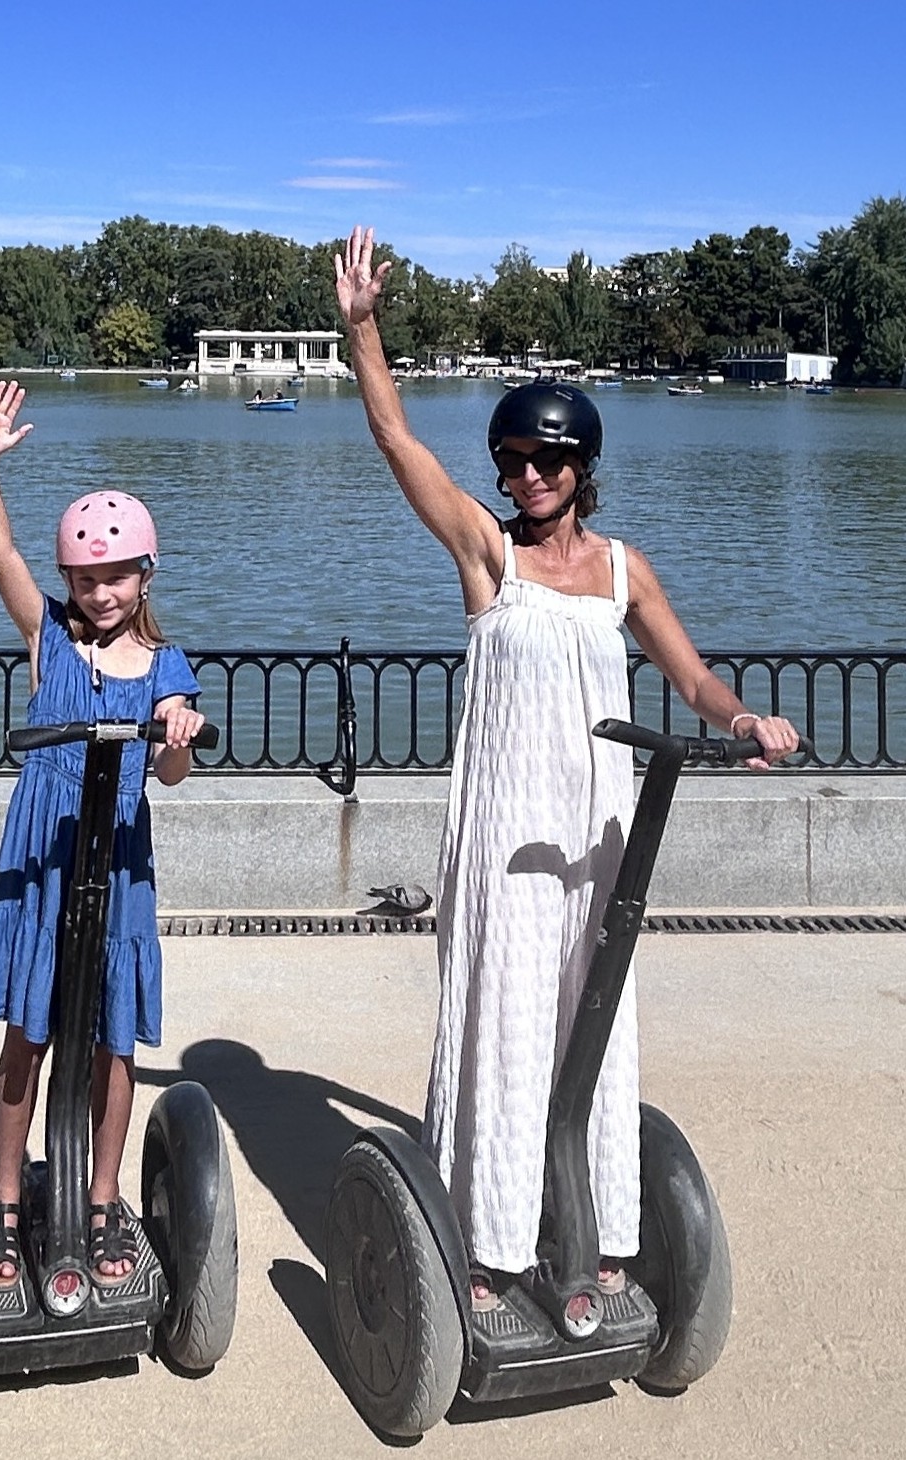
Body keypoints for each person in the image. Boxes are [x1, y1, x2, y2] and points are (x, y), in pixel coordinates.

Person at [333, 226, 799, 1320]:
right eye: (510, 462)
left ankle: (588, 1229)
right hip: (505, 834)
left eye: (545, 461)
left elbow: (692, 683)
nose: (526, 478)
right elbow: (397, 437)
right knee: (503, 1022)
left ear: (582, 467)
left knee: (592, 1026)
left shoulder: (624, 569)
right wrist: (362, 329)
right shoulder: (486, 556)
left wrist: (746, 721)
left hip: (596, 836)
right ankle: (488, 1246)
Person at [0, 379, 207, 1290]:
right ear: (68, 581)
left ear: (146, 575)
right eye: (86, 578)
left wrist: (176, 735)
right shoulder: (49, 639)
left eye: (117, 576)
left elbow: (172, 770)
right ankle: (4, 1202)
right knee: (29, 1031)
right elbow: (2, 559)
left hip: (120, 865)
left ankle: (103, 1201)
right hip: (44, 857)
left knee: (112, 1042)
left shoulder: (169, 664)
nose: (101, 593)